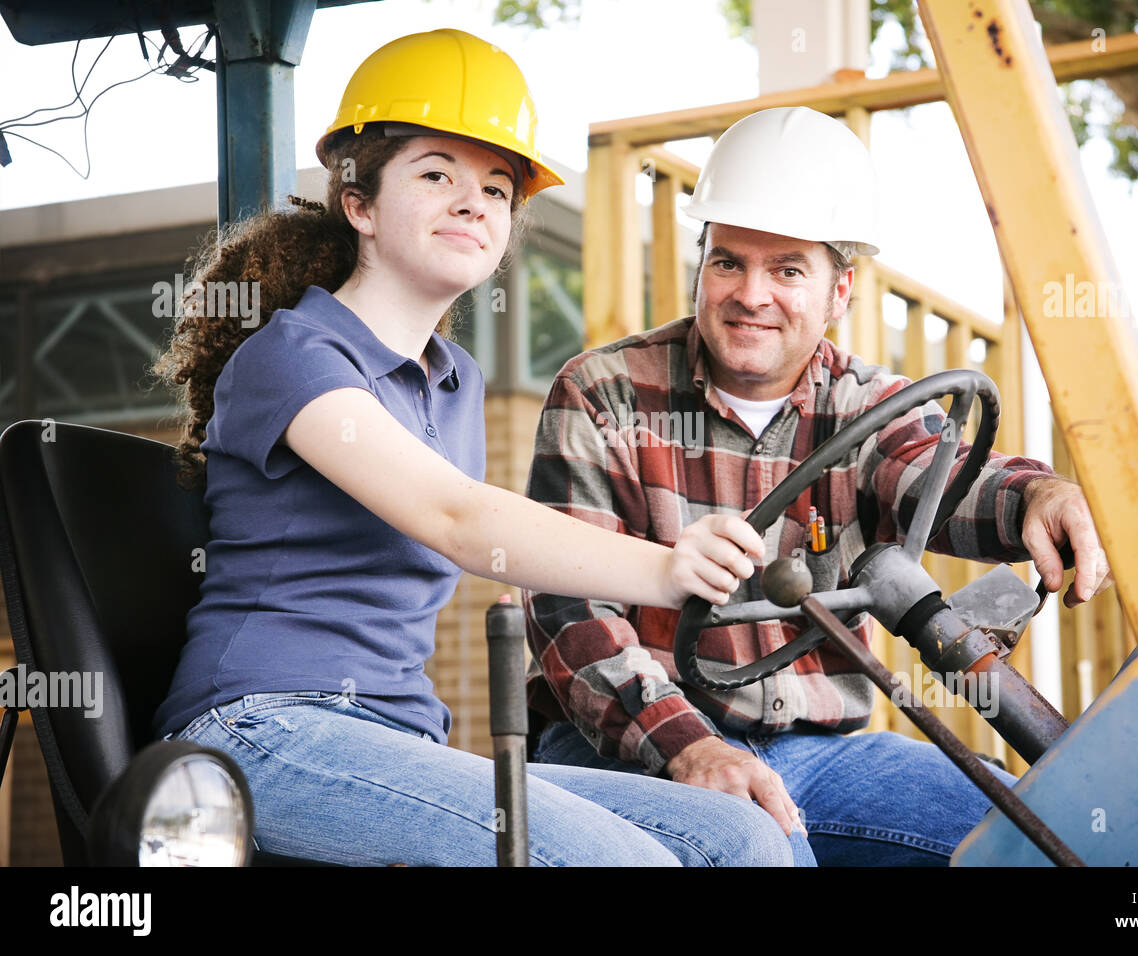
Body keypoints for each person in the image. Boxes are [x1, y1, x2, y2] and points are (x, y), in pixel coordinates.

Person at [149, 30, 806, 867]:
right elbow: (459, 519)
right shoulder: (292, 355)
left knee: (739, 836)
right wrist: (668, 567)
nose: (473, 204)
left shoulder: (452, 378)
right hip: (258, 732)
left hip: (398, 735)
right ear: (359, 204)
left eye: (496, 190)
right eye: (435, 176)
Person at [523, 106, 1115, 866]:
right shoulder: (604, 393)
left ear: (841, 291)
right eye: (728, 261)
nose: (751, 294)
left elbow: (947, 477)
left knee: (1036, 837)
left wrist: (1037, 496)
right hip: (621, 744)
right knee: (765, 849)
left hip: (815, 751)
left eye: (789, 270)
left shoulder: (868, 408)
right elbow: (568, 607)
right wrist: (690, 748)